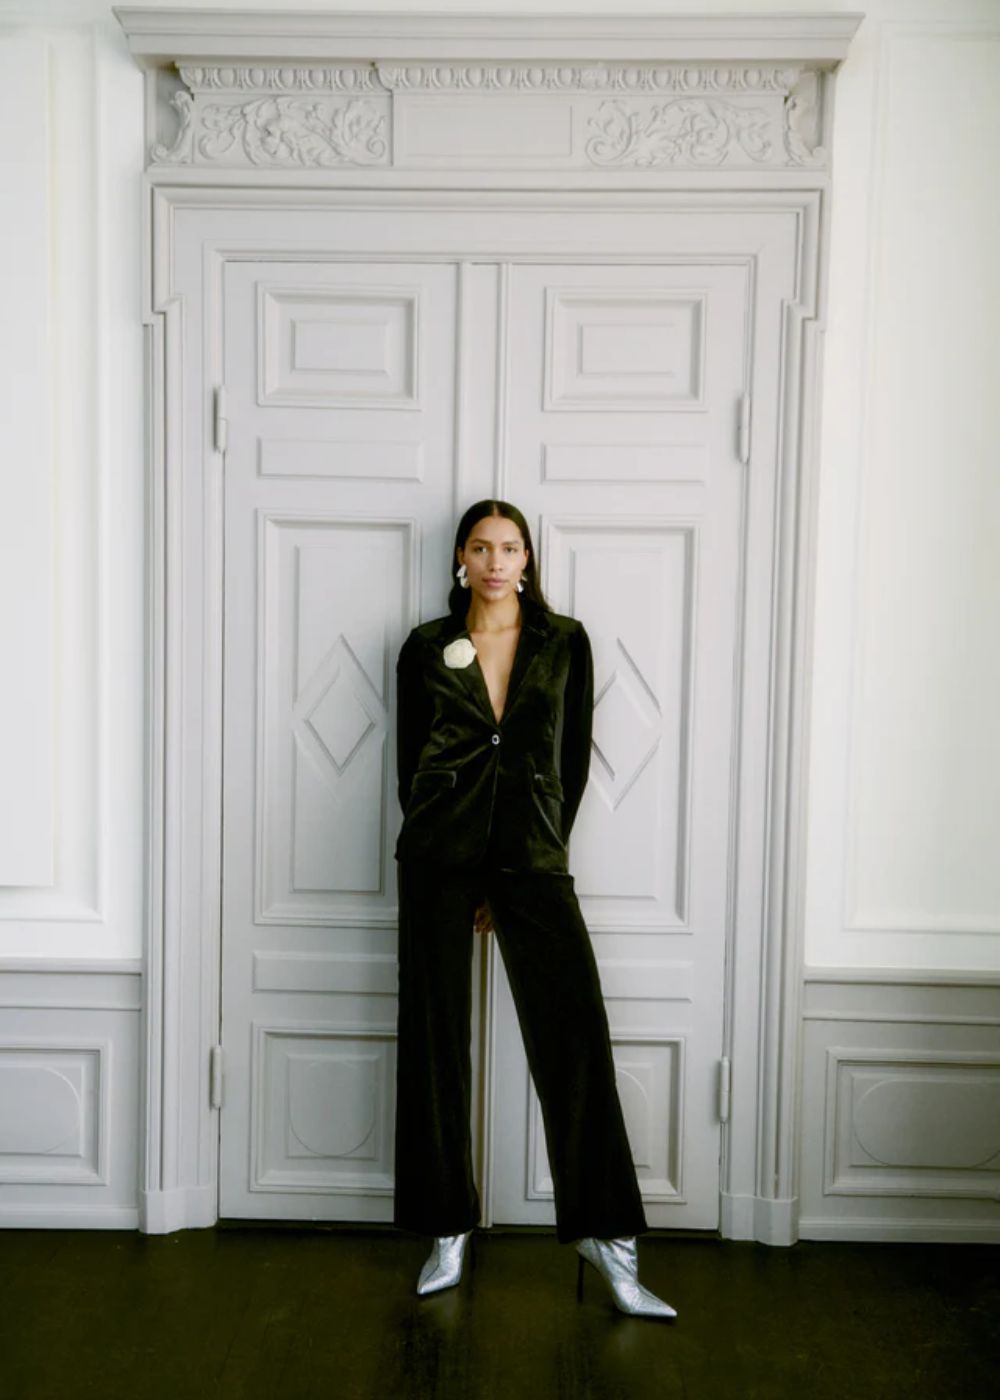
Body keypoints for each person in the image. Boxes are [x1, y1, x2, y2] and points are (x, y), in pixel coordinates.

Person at [393, 499, 676, 1321]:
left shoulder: (564, 642)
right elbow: (410, 766)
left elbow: (570, 760)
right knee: (435, 1041)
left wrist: (530, 851)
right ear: (460, 557)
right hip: (438, 857)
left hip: (532, 855)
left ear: (527, 560)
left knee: (573, 1036)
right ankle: (446, 1226)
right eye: (481, 547)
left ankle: (609, 1237)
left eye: (509, 547)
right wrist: (456, 852)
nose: (495, 561)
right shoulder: (424, 647)